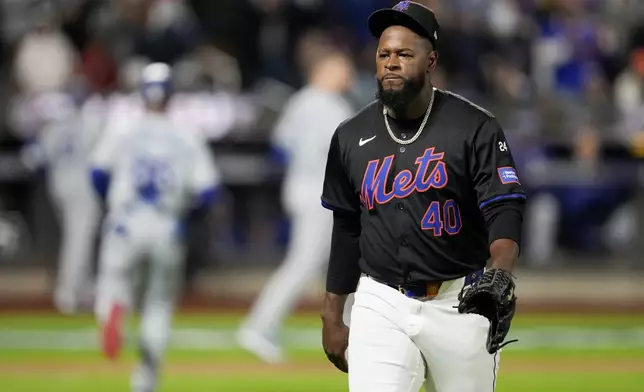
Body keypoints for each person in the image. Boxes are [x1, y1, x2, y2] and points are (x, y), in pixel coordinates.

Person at [319, 2, 526, 391]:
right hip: (381, 300)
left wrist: (500, 271)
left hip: (458, 301)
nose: (391, 63)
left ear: (430, 61)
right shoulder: (350, 135)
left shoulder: (474, 127)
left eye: (403, 54)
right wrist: (332, 315)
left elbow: (504, 207)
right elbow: (346, 226)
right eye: (384, 54)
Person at [91, 63, 221, 392]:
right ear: (171, 95)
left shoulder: (123, 129)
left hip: (125, 222)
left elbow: (97, 173)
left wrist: (112, 202)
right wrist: (183, 218)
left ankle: (112, 312)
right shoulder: (187, 135)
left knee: (113, 284)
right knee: (159, 304)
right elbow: (208, 191)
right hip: (166, 227)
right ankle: (145, 381)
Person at [236, 48, 356, 363]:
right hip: (323, 195)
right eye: (342, 68)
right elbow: (347, 159)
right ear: (324, 70)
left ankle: (359, 328)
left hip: (300, 189)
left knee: (346, 262)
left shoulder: (299, 101)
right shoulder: (331, 106)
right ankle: (259, 325)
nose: (348, 75)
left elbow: (280, 148)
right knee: (307, 262)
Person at [20, 88, 103, 315]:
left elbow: (31, 158)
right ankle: (67, 291)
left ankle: (83, 288)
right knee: (79, 238)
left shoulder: (54, 126)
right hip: (83, 187)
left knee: (78, 236)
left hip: (59, 187)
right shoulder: (90, 124)